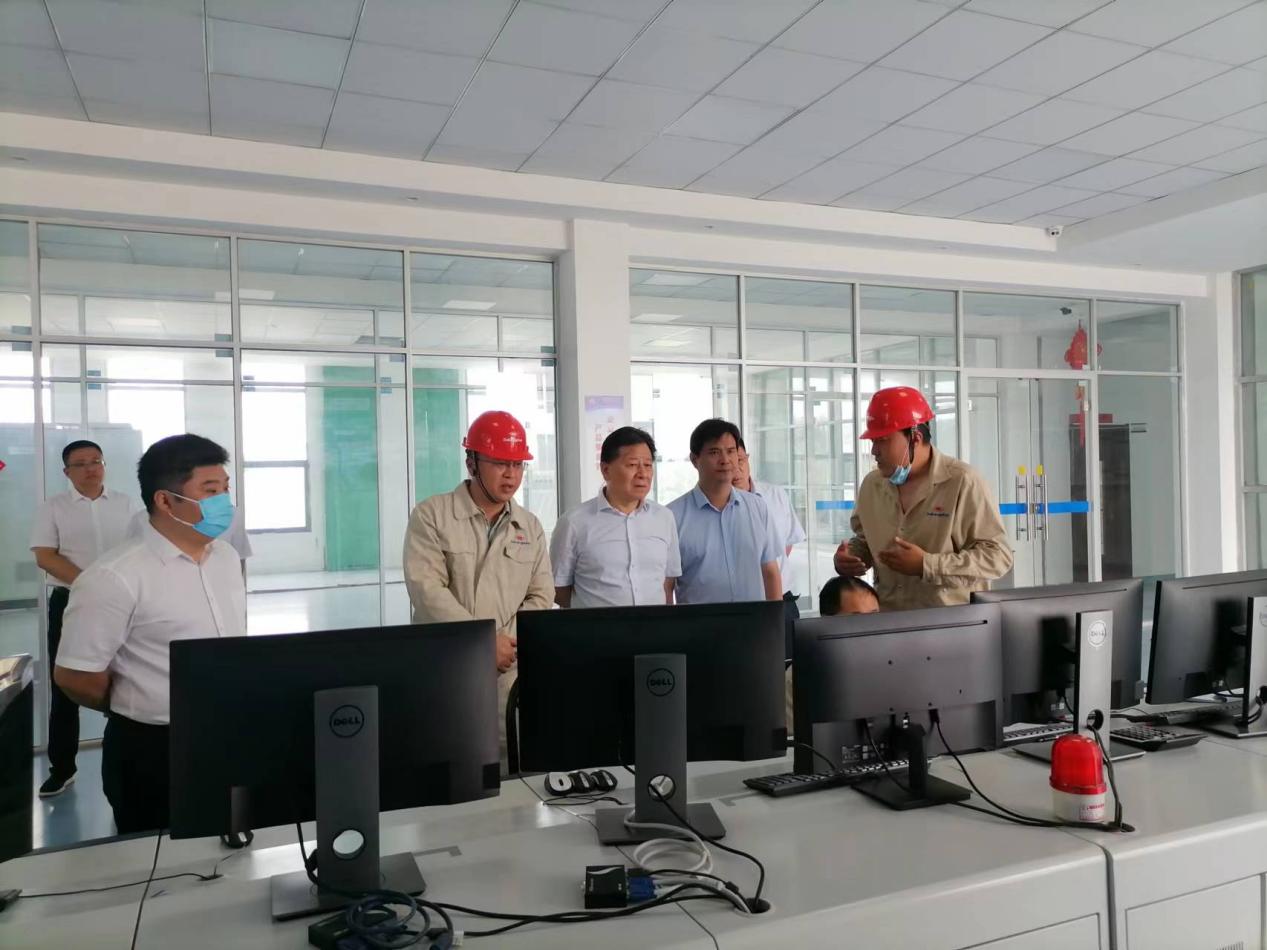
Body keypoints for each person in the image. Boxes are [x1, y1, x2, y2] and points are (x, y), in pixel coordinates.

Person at [53, 434, 246, 833]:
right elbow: (75, 676)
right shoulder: (113, 577)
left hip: (225, 731)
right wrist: (136, 700)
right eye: (211, 491)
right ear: (165, 501)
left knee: (228, 846)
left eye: (226, 489)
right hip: (152, 749)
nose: (224, 502)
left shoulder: (225, 558)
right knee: (155, 858)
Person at [402, 411, 552, 764]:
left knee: (509, 765)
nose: (511, 474)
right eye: (500, 463)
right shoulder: (432, 515)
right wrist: (483, 642)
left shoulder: (529, 526)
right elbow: (427, 590)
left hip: (507, 670)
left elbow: (541, 594)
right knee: (448, 766)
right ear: (471, 462)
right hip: (446, 665)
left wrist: (505, 644)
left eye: (518, 464)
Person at [834, 387, 1012, 611]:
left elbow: (998, 557)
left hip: (949, 622)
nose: (874, 451)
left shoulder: (962, 481)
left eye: (883, 441)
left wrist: (927, 565)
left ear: (915, 438)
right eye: (873, 442)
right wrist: (849, 558)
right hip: (888, 618)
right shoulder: (872, 485)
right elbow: (865, 540)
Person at [28, 439, 136, 798]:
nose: (91, 468)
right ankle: (62, 768)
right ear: (67, 471)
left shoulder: (125, 504)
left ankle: (127, 764)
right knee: (66, 684)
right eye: (81, 463)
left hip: (123, 603)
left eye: (96, 461)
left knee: (126, 679)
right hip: (70, 601)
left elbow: (140, 549)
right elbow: (45, 556)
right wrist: (90, 585)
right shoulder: (53, 508)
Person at [550, 427, 681, 608]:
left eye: (648, 465)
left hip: (654, 625)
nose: (643, 474)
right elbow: (558, 589)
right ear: (606, 470)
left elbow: (667, 581)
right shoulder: (574, 522)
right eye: (632, 465)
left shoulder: (664, 518)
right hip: (596, 626)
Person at [667, 419, 782, 604]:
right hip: (700, 622)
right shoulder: (672, 516)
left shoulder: (758, 506)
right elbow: (667, 585)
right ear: (695, 460)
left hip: (754, 620)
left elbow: (770, 571)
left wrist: (775, 618)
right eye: (714, 452)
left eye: (731, 451)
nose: (725, 460)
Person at [734, 441, 807, 656]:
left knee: (787, 666)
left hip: (782, 600)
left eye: (740, 460)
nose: (736, 469)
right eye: (729, 462)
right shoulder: (720, 505)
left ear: (748, 458)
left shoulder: (775, 495)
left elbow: (787, 543)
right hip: (741, 606)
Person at [786, 576, 880, 734]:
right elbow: (792, 744)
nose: (869, 629)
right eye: (856, 620)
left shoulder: (893, 668)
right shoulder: (798, 678)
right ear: (827, 623)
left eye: (875, 617)